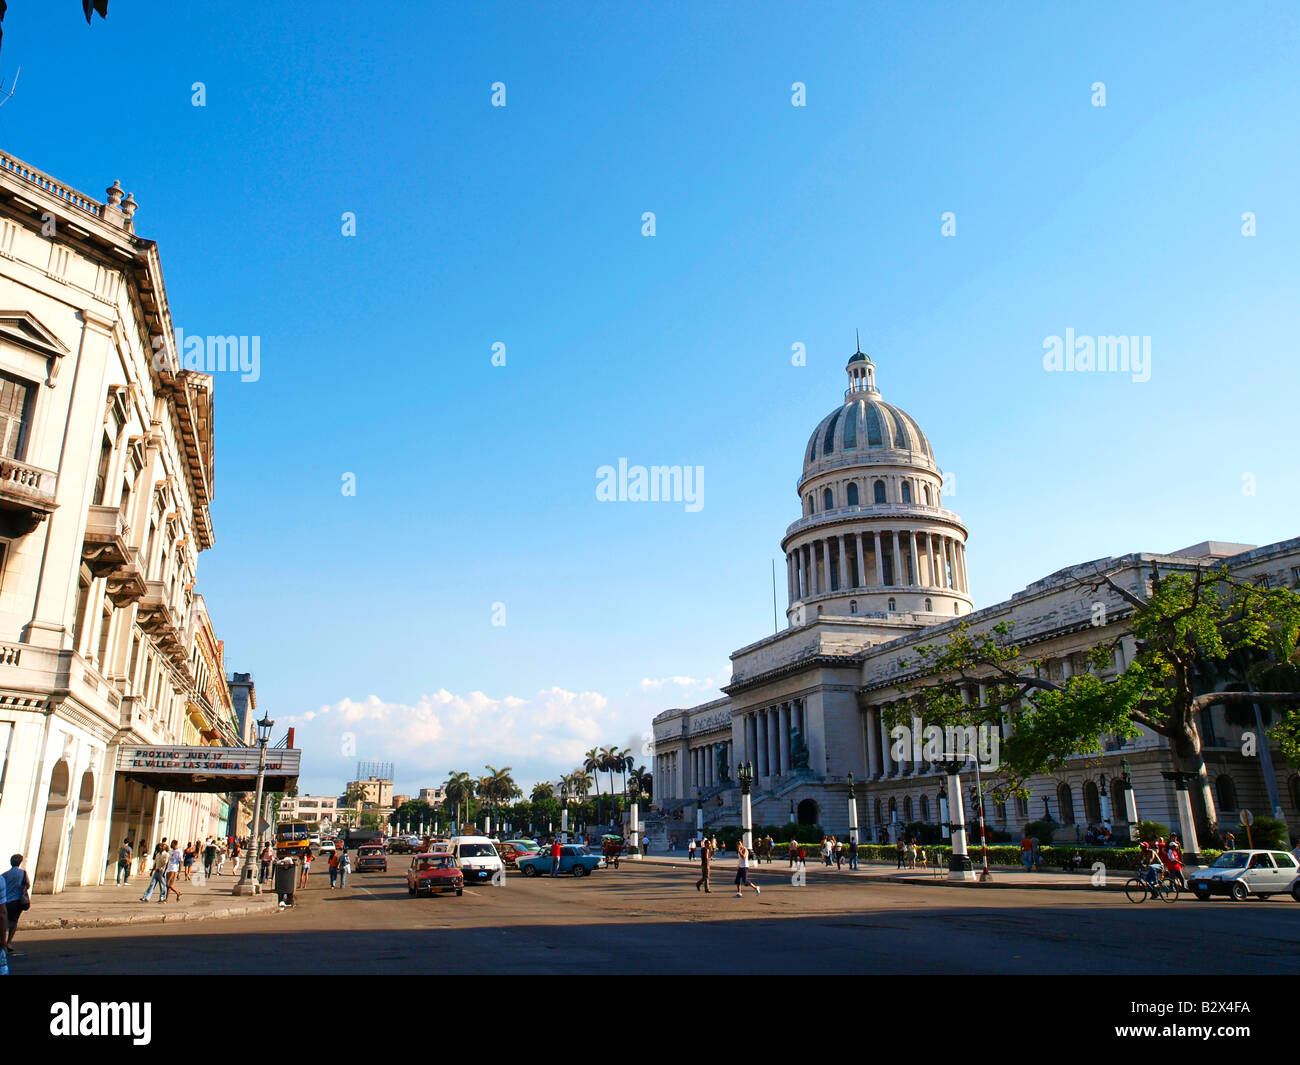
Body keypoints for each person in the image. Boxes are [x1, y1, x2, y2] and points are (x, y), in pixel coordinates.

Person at [4, 855, 30, 955]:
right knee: (14, 922)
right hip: (17, 901)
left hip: (6, 901)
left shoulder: (5, 875)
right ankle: (9, 942)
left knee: (5, 920)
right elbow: (27, 884)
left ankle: (3, 939)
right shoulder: (22, 873)